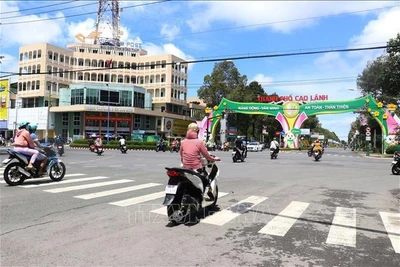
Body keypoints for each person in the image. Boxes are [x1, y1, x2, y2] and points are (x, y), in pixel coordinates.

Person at [180, 123, 220, 199]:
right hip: (196, 169)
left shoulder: (183, 142)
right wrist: (215, 159)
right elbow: (207, 156)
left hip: (185, 168)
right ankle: (206, 193)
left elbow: (181, 156)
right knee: (207, 178)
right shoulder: (199, 142)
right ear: (197, 132)